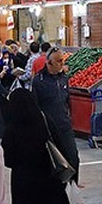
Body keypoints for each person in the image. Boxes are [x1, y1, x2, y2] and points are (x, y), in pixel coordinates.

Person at [2, 87, 88, 204]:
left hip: (24, 182)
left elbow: (8, 159)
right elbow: (59, 143)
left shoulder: (12, 126)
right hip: (49, 178)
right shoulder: (43, 119)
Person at [33, 47, 79, 182]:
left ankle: (73, 186)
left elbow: (67, 100)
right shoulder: (38, 81)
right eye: (59, 61)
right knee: (54, 162)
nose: (62, 64)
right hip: (49, 129)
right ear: (49, 63)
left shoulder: (64, 78)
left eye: (62, 60)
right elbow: (36, 106)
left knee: (73, 157)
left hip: (65, 126)